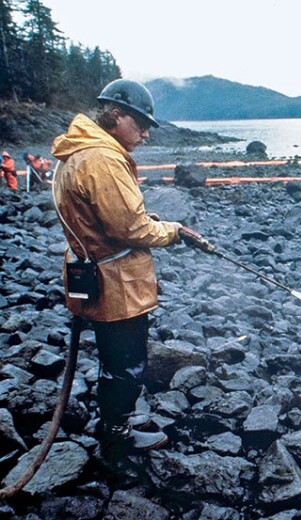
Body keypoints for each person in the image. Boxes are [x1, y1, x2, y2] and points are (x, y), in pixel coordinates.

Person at [51, 79, 205, 458]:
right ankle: (117, 432)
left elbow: (106, 216)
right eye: (140, 124)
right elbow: (130, 228)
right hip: (117, 283)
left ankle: (116, 418)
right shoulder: (103, 159)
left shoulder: (80, 151)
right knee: (126, 362)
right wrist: (172, 230)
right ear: (116, 116)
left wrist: (144, 219)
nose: (146, 133)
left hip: (93, 270)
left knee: (114, 356)